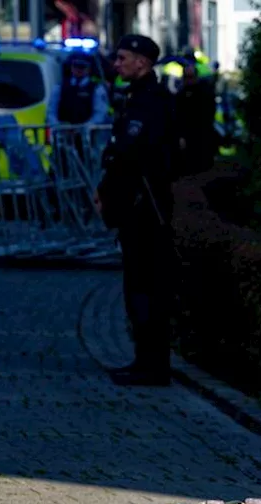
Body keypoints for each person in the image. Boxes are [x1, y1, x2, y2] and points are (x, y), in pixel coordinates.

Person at [96, 34, 177, 387]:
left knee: (147, 288)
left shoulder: (152, 101)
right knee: (137, 288)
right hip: (134, 209)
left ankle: (153, 365)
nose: (117, 64)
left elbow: (134, 155)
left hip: (146, 209)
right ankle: (144, 360)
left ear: (142, 62)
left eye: (123, 58)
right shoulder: (135, 98)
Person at [50, 51, 111, 128]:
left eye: (82, 66)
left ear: (88, 68)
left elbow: (100, 113)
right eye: (76, 66)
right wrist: (58, 126)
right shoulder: (60, 87)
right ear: (71, 67)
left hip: (88, 134)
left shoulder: (96, 88)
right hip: (64, 133)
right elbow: (51, 111)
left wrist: (85, 127)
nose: (79, 69)